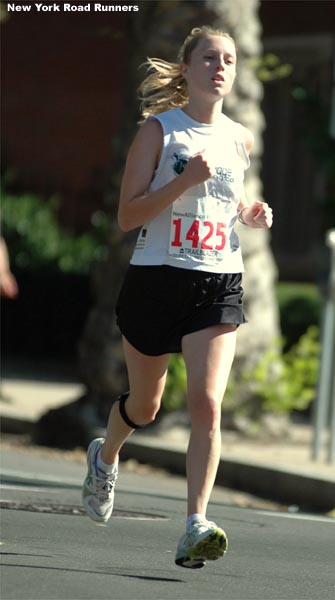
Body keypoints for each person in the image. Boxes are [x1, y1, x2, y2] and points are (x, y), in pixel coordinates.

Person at [82, 25, 273, 569]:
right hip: (156, 279)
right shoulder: (158, 132)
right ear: (185, 69)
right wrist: (182, 180)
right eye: (209, 57)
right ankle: (107, 455)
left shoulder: (240, 137)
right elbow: (127, 216)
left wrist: (251, 213)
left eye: (229, 60)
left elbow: (232, 200)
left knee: (208, 405)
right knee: (145, 406)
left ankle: (196, 524)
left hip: (218, 280)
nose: (220, 67)